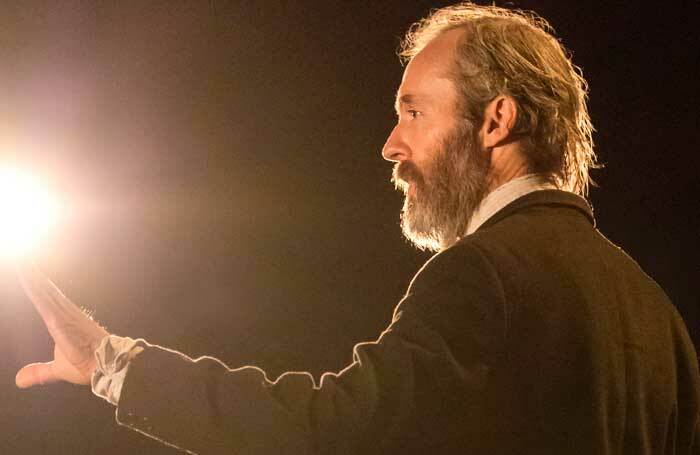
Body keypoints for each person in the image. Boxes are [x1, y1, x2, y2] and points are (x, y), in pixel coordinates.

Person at [14, 3, 700, 454]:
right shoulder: (658, 320)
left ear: (496, 121)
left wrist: (113, 363)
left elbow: (328, 431)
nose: (390, 145)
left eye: (414, 112)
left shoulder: (481, 273)